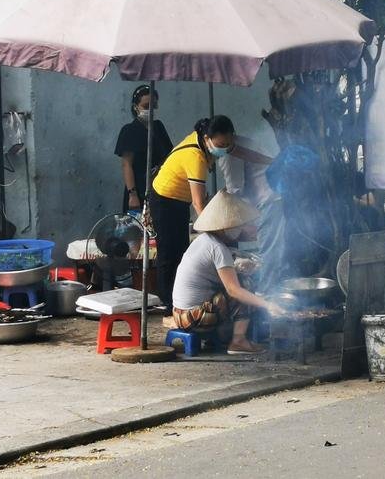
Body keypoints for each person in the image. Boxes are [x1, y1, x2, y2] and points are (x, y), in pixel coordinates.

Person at [172, 190, 281, 354]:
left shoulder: (204, 240)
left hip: (180, 314)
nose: (242, 229)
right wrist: (268, 305)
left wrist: (239, 265)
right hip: (195, 318)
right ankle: (238, 341)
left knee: (239, 284)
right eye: (238, 226)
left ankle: (224, 337)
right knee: (244, 286)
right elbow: (233, 291)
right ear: (226, 228)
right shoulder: (217, 248)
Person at [150, 115, 236, 314]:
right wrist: (214, 233)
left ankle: (178, 300)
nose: (224, 148)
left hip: (179, 200)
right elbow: (199, 204)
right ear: (208, 138)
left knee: (181, 249)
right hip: (164, 199)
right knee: (168, 252)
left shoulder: (202, 141)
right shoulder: (195, 156)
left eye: (228, 144)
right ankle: (167, 303)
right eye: (221, 144)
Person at [217, 132, 286, 294]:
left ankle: (267, 298)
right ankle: (271, 291)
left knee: (269, 251)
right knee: (273, 249)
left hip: (269, 201)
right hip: (272, 198)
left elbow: (234, 190)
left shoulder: (229, 153)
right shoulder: (244, 141)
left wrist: (235, 224)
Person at [114, 85, 173, 213]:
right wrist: (133, 195)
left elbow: (169, 156)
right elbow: (126, 165)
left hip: (161, 189)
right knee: (140, 228)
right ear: (136, 107)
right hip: (139, 190)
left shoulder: (158, 127)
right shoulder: (129, 131)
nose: (150, 110)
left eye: (153, 106)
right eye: (146, 106)